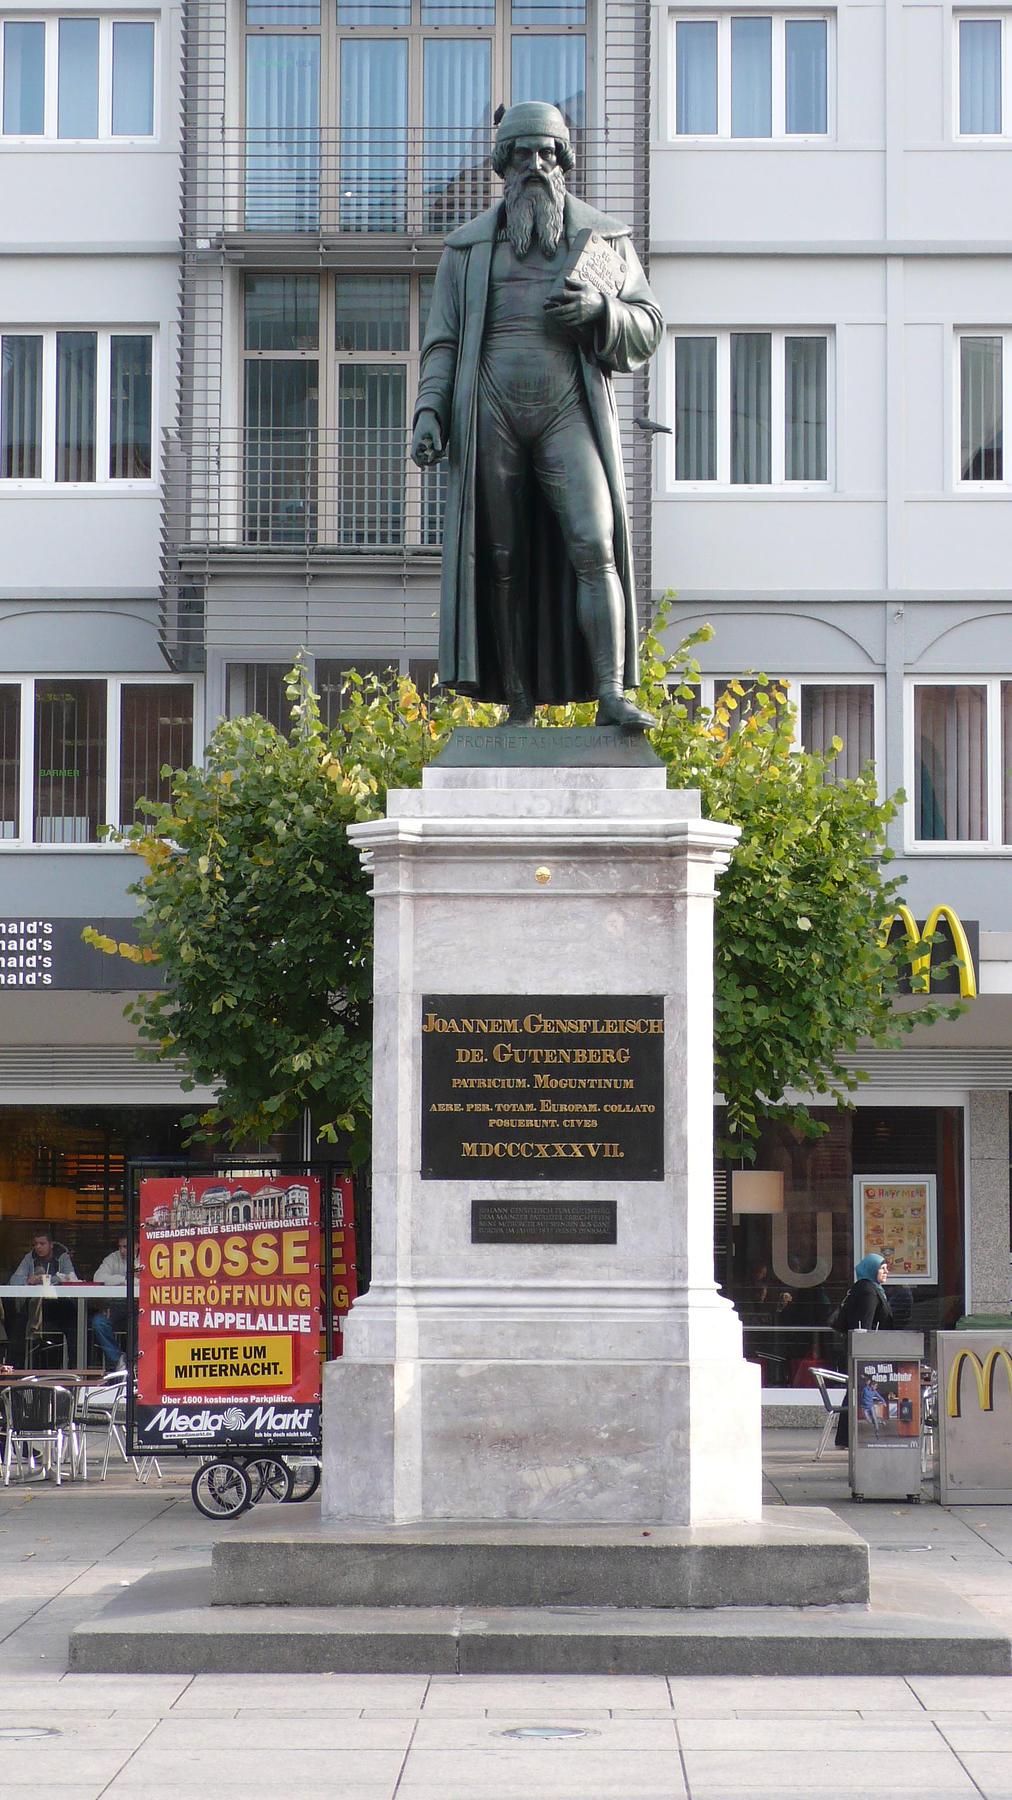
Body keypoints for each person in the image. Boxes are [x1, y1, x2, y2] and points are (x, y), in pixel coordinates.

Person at [411, 100, 663, 730]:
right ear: (500, 165)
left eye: (547, 152)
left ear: (565, 162)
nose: (535, 165)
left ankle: (610, 692)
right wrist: (429, 412)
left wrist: (603, 313)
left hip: (566, 412)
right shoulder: (466, 250)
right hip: (489, 411)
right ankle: (517, 701)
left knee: (593, 540)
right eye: (521, 153)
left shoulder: (602, 241)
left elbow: (648, 323)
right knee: (501, 559)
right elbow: (441, 341)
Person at [833, 1253, 892, 1448]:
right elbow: (863, 1324)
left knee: (855, 1390)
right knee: (857, 1390)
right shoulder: (867, 1290)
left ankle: (845, 1438)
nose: (886, 1272)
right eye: (882, 1268)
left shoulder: (869, 1288)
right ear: (871, 1269)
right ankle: (847, 1437)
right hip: (864, 1350)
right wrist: (867, 1348)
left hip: (863, 1349)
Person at [6, 1230, 78, 1368]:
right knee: (18, 1327)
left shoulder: (62, 1257)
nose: (38, 1247)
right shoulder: (29, 1257)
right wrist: (28, 1279)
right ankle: (14, 1371)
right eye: (36, 1244)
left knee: (73, 1327)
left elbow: (70, 1276)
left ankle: (74, 1369)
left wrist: (46, 1278)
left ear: (51, 1245)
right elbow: (14, 1279)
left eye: (42, 1243)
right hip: (34, 1306)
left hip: (60, 1304)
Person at [91, 1235, 131, 1372]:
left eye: (125, 1246)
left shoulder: (147, 1256)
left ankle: (136, 1362)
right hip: (115, 1306)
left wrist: (115, 1281)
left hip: (140, 1306)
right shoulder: (112, 1258)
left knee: (145, 1324)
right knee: (98, 1322)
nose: (122, 1250)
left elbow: (147, 1280)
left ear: (138, 1245)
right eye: (120, 1247)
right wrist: (126, 1279)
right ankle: (119, 1361)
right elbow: (98, 1278)